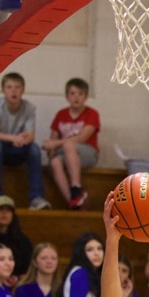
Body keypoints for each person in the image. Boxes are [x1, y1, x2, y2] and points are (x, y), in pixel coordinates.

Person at [0, 72, 51, 210]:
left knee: (34, 149)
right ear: (3, 90)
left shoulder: (29, 108)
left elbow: (30, 135)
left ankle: (36, 198)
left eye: (17, 87)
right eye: (9, 87)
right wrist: (14, 138)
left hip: (16, 147)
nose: (13, 91)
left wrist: (23, 140)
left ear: (23, 90)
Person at [42, 78, 100, 209]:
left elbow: (82, 138)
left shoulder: (92, 113)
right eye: (72, 93)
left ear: (85, 97)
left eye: (80, 94)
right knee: (55, 162)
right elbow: (53, 139)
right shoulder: (61, 114)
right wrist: (50, 151)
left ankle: (76, 187)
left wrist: (56, 143)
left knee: (69, 145)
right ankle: (73, 201)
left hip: (87, 153)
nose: (76, 97)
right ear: (67, 96)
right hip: (66, 153)